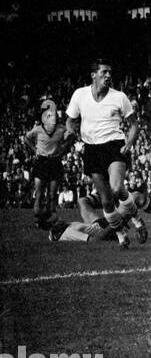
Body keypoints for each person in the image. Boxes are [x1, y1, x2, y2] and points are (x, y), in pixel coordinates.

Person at [64, 60, 143, 248]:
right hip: (91, 149)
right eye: (104, 72)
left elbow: (134, 124)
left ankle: (137, 219)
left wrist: (129, 143)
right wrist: (70, 131)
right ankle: (121, 233)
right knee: (107, 201)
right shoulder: (80, 95)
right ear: (93, 75)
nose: (108, 75)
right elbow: (70, 121)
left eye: (110, 72)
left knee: (117, 189)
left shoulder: (119, 97)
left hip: (114, 146)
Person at [24, 96, 66, 229]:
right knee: (40, 193)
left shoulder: (61, 129)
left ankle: (51, 219)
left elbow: (72, 137)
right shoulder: (38, 129)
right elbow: (26, 138)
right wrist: (34, 150)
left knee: (53, 194)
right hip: (41, 161)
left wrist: (63, 148)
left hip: (55, 162)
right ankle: (37, 220)